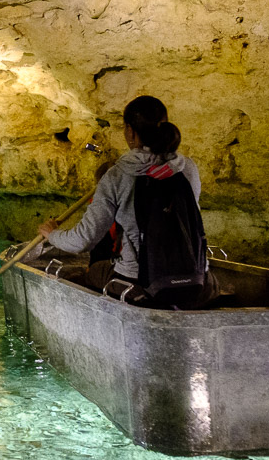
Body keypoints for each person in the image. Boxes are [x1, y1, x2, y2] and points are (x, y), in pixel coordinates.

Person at [38, 95, 207, 308]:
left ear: (130, 131)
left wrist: (52, 234)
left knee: (94, 271)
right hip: (196, 277)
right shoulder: (188, 168)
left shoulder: (117, 175)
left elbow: (83, 241)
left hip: (138, 281)